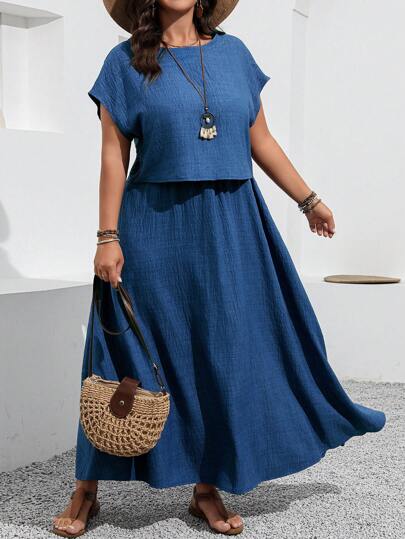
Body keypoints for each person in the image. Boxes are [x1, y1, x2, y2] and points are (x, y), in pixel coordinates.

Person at [52, 0, 386, 536]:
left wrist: (308, 200)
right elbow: (113, 155)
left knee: (221, 350)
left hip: (232, 224)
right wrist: (107, 236)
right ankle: (87, 487)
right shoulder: (124, 62)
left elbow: (260, 139)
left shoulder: (235, 55)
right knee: (122, 351)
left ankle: (206, 487)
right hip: (154, 225)